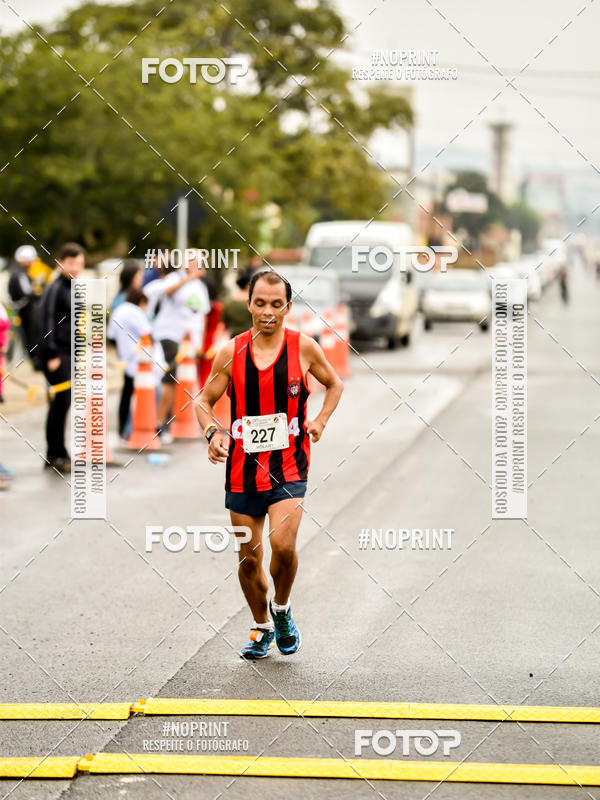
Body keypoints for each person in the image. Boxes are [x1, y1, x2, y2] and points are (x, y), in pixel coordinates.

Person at [196, 269, 343, 659]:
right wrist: (212, 433)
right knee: (249, 559)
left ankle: (281, 609)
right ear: (249, 304)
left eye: (276, 304)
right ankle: (261, 626)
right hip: (242, 470)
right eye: (260, 303)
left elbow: (335, 383)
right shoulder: (231, 352)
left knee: (283, 545)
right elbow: (203, 400)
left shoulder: (303, 348)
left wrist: (320, 420)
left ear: (288, 307)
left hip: (289, 465)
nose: (267, 312)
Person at [38, 243, 86, 472]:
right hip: (57, 354)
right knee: (59, 403)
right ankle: (54, 454)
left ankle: (59, 452)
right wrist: (52, 354)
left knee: (63, 404)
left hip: (69, 353)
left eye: (80, 264)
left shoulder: (72, 286)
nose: (76, 268)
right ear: (60, 263)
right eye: (72, 263)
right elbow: (46, 320)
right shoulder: (55, 288)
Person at [152, 252, 210, 443]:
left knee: (183, 381)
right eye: (195, 261)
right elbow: (167, 292)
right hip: (169, 334)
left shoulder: (200, 287)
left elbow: (202, 315)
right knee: (172, 375)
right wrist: (189, 277)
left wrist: (200, 342)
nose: (199, 265)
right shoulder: (175, 278)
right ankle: (160, 423)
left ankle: (176, 421)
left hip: (189, 341)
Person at [108, 287, 160, 443]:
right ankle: (134, 429)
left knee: (126, 395)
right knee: (145, 396)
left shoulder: (118, 311)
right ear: (141, 302)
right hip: (140, 362)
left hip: (126, 359)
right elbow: (148, 335)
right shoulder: (135, 312)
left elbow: (111, 337)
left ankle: (122, 431)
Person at [8, 245, 40, 363]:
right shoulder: (19, 273)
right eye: (31, 259)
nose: (33, 262)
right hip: (24, 310)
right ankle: (34, 359)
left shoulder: (21, 272)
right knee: (29, 336)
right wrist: (42, 294)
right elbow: (27, 293)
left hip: (24, 310)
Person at [222, 269, 253, 337]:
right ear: (248, 284)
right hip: (250, 336)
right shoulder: (253, 301)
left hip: (234, 337)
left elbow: (224, 322)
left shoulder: (228, 301)